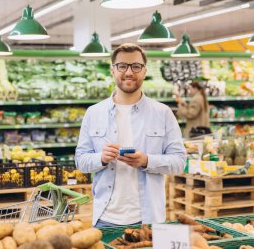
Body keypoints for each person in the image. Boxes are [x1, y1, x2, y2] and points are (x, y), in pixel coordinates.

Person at [75, 43, 186, 228]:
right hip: (104, 218)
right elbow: (80, 160)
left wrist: (147, 161)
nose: (129, 72)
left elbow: (179, 162)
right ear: (112, 70)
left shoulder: (162, 113)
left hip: (148, 219)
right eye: (122, 66)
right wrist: (101, 158)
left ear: (144, 71)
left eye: (136, 66)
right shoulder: (93, 113)